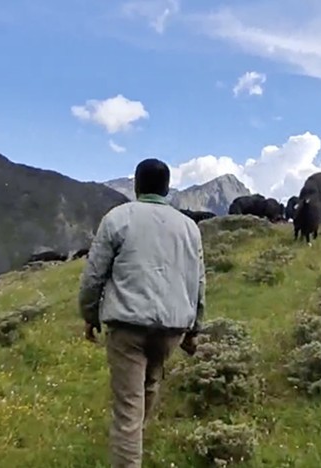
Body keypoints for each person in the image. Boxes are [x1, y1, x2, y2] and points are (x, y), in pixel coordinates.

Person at [78, 158, 206, 468]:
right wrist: (194, 329)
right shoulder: (189, 227)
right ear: (167, 188)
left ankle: (128, 453)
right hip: (172, 328)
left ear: (136, 185)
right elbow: (198, 281)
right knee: (150, 385)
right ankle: (134, 444)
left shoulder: (118, 218)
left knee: (127, 408)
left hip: (128, 325)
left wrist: (90, 315)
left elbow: (93, 276)